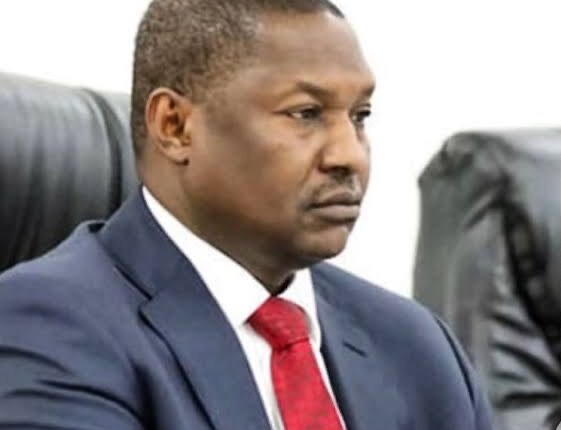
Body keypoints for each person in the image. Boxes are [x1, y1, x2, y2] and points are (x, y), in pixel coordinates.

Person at [0, 0, 494, 429]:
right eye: (306, 113)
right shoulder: (49, 325)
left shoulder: (417, 347)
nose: (350, 155)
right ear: (175, 126)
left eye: (359, 116)